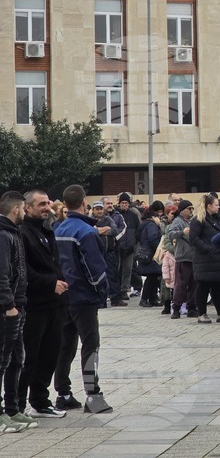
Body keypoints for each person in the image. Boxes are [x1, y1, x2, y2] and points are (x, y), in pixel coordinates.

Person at [54, 185, 112, 414]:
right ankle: (93, 394)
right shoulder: (86, 232)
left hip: (63, 295)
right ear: (84, 202)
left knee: (65, 346)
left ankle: (63, 393)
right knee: (90, 346)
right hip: (84, 296)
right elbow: (94, 269)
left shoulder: (58, 229)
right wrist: (102, 292)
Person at [18, 190, 68, 419]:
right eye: (41, 204)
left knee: (51, 353)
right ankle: (16, 405)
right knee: (30, 357)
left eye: (47, 203)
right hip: (34, 305)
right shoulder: (22, 233)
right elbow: (23, 270)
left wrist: (61, 284)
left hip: (55, 305)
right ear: (27, 208)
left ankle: (40, 401)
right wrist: (50, 283)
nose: (46, 208)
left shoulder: (47, 230)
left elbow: (55, 263)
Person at [0, 191, 33, 433]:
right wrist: (8, 306)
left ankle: (12, 409)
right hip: (8, 309)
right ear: (15, 210)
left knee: (16, 359)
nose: (25, 212)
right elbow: (2, 274)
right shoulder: (4, 235)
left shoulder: (13, 232)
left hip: (18, 305)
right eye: (23, 208)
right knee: (3, 360)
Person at [189, 195, 220, 324]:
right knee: (203, 286)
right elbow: (194, 238)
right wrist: (207, 249)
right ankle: (202, 313)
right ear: (209, 206)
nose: (219, 207)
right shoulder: (198, 220)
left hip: (217, 259)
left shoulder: (218, 219)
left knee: (217, 286)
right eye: (216, 205)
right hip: (204, 259)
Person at [168, 200, 197, 319]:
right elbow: (170, 234)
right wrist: (182, 232)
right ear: (182, 210)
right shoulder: (178, 221)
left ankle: (191, 307)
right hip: (183, 258)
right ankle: (176, 308)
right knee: (181, 285)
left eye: (192, 208)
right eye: (189, 208)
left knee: (194, 285)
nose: (191, 211)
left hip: (193, 258)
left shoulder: (192, 221)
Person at [136, 205, 164, 308]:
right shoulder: (152, 225)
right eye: (158, 218)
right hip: (152, 254)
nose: (159, 220)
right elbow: (152, 238)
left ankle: (152, 299)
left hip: (146, 253)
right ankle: (144, 299)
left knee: (153, 276)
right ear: (153, 217)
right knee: (152, 277)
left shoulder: (144, 224)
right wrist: (159, 249)